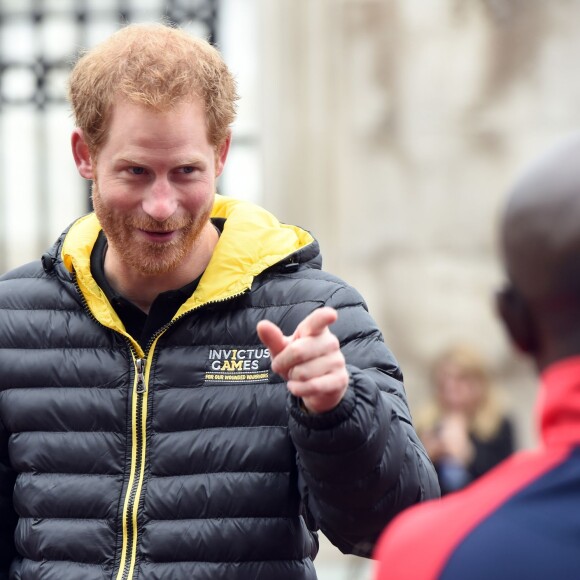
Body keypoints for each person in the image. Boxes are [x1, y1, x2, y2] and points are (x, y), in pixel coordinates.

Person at [0, 22, 439, 580]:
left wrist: (339, 411)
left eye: (185, 172)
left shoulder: (314, 313)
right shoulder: (12, 317)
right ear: (85, 155)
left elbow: (399, 526)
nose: (161, 206)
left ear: (222, 152)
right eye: (135, 172)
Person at [373, 132, 580, 579]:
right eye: (446, 380)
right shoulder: (424, 423)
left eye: (461, 379)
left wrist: (467, 457)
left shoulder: (423, 556)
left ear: (514, 326)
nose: (453, 390)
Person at [415, 344, 515, 495]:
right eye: (443, 383)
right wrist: (425, 457)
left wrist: (469, 455)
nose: (450, 389)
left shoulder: (498, 425)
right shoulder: (427, 425)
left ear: (479, 384)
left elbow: (507, 482)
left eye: (460, 380)